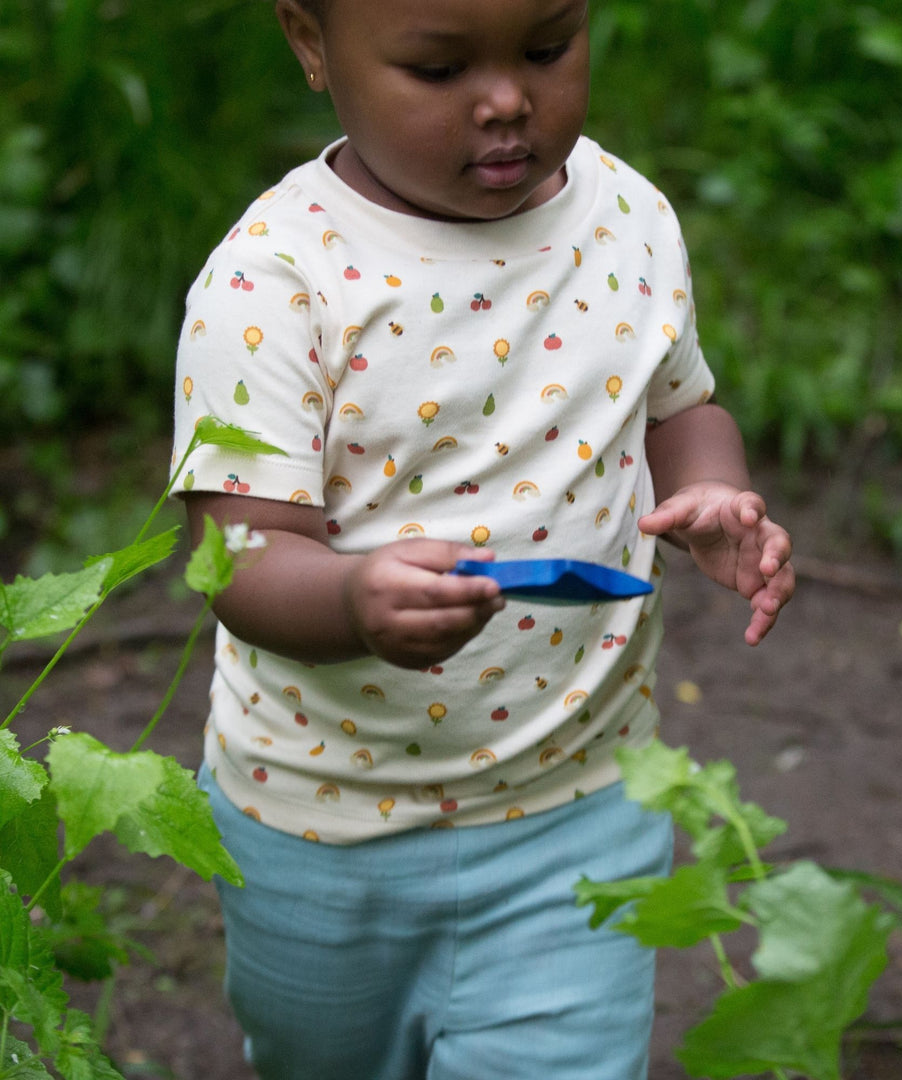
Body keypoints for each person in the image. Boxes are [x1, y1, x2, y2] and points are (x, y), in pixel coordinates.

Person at [171, 0, 795, 1076]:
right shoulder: (274, 281)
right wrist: (352, 601)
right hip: (325, 829)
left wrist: (715, 491)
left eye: (546, 50)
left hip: (582, 800)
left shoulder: (628, 217)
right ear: (313, 44)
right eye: (439, 66)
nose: (507, 98)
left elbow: (681, 406)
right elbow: (237, 550)